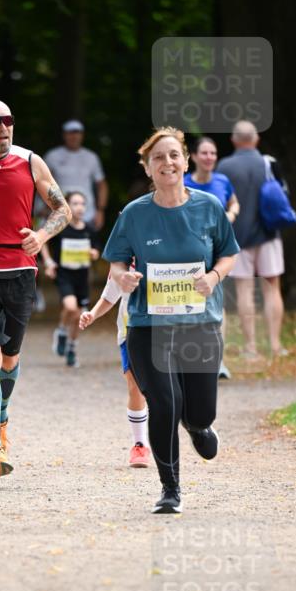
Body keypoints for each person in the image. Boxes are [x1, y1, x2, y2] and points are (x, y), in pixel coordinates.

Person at [103, 127, 239, 514]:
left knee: (198, 410)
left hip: (200, 324)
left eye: (174, 155)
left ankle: (198, 426)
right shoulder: (134, 214)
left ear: (186, 161)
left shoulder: (209, 207)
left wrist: (212, 278)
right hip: (148, 324)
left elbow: (228, 255)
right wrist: (122, 276)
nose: (168, 163)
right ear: (147, 168)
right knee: (165, 403)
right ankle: (170, 488)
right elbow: (116, 260)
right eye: (158, 158)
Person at [0, 99, 71, 478]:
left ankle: (1, 419)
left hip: (21, 268)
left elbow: (62, 210)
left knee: (10, 358)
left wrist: (40, 236)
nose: (2, 128)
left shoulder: (29, 161)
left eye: (8, 120)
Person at [217, 121, 287, 359]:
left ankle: (251, 347)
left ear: (234, 140)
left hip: (238, 237)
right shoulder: (269, 163)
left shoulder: (224, 166)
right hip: (269, 235)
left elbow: (220, 200)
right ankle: (276, 345)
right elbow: (283, 194)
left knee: (244, 290)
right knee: (272, 288)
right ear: (256, 139)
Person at [79, 271, 151, 468]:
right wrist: (92, 314)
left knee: (167, 386)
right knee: (134, 386)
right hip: (130, 331)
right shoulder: (123, 260)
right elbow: (109, 296)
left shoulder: (167, 251)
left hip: (164, 329)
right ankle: (140, 444)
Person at [184, 136, 240, 379]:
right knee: (188, 301)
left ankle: (218, 360)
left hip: (217, 250)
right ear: (194, 157)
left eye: (213, 153)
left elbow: (235, 203)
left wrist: (231, 215)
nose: (209, 158)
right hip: (189, 251)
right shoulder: (184, 183)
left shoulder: (223, 181)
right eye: (204, 153)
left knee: (217, 302)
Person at [41, 190, 99, 368]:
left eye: (82, 204)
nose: (79, 207)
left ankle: (71, 348)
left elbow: (96, 251)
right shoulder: (61, 227)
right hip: (64, 275)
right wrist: (49, 262)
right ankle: (61, 331)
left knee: (79, 315)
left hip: (82, 277)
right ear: (67, 206)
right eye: (75, 203)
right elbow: (42, 241)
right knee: (71, 307)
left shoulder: (90, 229)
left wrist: (93, 253)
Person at [39, 120, 108, 230]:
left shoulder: (91, 157)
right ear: (64, 135)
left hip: (87, 213)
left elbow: (102, 185)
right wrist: (43, 206)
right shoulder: (52, 156)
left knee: (86, 245)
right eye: (70, 132)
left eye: (77, 132)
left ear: (82, 135)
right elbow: (42, 182)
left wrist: (100, 210)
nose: (74, 136)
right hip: (59, 213)